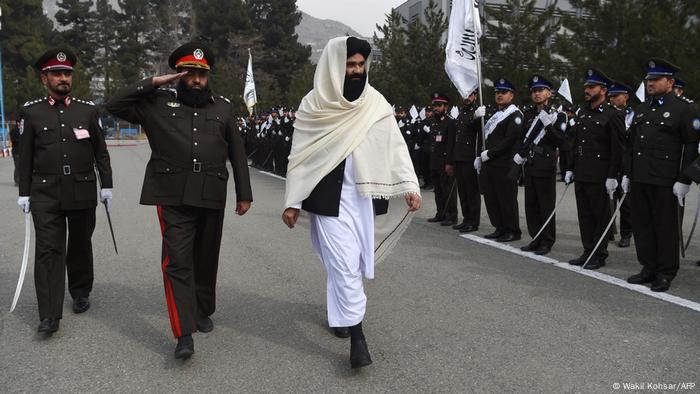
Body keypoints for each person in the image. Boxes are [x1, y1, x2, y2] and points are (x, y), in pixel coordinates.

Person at [106, 42, 253, 359]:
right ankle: (183, 332)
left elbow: (237, 152)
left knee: (206, 257)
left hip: (211, 192)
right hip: (172, 194)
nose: (197, 80)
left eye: (202, 74)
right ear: (179, 74)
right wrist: (153, 82)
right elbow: (113, 105)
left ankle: (202, 309)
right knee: (177, 261)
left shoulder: (222, 108)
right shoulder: (156, 103)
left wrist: (244, 193)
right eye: (190, 74)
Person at [281, 37, 421, 369]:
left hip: (363, 197)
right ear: (334, 65)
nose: (356, 71)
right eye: (350, 65)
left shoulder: (375, 104)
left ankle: (340, 315)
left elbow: (395, 147)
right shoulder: (314, 104)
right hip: (328, 200)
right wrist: (293, 200)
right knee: (343, 264)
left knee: (351, 264)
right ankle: (358, 338)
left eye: (360, 65)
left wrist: (409, 185)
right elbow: (299, 156)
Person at [17, 48, 113, 334]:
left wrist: (106, 185)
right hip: (45, 191)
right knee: (48, 250)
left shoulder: (87, 110)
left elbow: (101, 152)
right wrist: (24, 192)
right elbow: (25, 157)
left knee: (81, 243)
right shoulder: (31, 112)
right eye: (57, 73)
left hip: (82, 188)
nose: (63, 78)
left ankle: (80, 290)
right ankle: (49, 314)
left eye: (67, 73)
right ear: (44, 78)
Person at [623, 59, 699, 292]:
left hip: (667, 181)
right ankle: (649, 267)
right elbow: (631, 143)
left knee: (665, 228)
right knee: (643, 226)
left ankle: (665, 272)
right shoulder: (642, 108)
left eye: (656, 80)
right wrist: (628, 173)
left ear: (670, 82)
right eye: (648, 80)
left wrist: (685, 179)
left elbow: (692, 145)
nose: (650, 83)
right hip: (641, 177)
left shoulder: (684, 109)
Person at [566, 68, 624, 270]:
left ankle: (599, 254)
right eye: (586, 87)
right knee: (585, 216)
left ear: (604, 90)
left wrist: (613, 176)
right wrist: (571, 168)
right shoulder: (583, 112)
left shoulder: (612, 114)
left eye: (592, 87)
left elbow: (618, 148)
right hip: (582, 172)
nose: (587, 90)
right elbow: (576, 143)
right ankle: (587, 250)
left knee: (600, 216)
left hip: (600, 175)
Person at [516, 75, 569, 255]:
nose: (537, 94)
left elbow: (560, 140)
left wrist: (548, 125)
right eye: (534, 91)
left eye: (540, 90)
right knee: (531, 205)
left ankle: (547, 240)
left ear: (549, 93)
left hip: (545, 164)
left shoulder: (558, 115)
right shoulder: (529, 114)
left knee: (545, 205)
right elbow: (522, 139)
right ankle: (536, 237)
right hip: (530, 164)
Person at [474, 78, 523, 242]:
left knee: (506, 199)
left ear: (511, 95)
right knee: (492, 197)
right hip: (490, 164)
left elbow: (509, 140)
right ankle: (499, 227)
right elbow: (485, 137)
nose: (499, 95)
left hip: (504, 164)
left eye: (503, 93)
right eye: (497, 93)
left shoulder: (515, 115)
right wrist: (479, 156)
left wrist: (490, 154)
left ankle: (512, 230)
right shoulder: (494, 114)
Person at [446, 91, 481, 233]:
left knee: (472, 192)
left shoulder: (478, 113)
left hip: (470, 158)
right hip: (459, 157)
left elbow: (479, 133)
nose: (467, 98)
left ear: (475, 96)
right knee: (463, 191)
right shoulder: (461, 114)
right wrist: (451, 160)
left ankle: (473, 221)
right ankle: (466, 219)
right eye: (464, 95)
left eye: (470, 95)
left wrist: (478, 118)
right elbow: (455, 139)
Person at [607, 81, 634, 248]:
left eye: (616, 96)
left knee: (626, 203)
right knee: (608, 200)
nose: (612, 99)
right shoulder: (608, 113)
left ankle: (626, 233)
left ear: (625, 97)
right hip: (609, 162)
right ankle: (609, 230)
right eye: (610, 96)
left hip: (625, 163)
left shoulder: (633, 115)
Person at [427, 93, 458, 226]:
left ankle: (451, 215)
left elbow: (451, 144)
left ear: (446, 106)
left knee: (447, 190)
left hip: (445, 161)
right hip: (435, 161)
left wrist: (450, 163)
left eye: (439, 105)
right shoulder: (434, 122)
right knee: (438, 190)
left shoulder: (450, 122)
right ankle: (440, 213)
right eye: (434, 105)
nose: (436, 108)